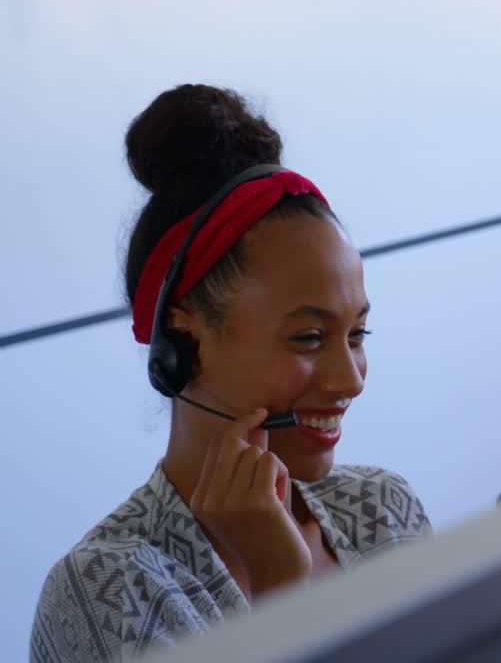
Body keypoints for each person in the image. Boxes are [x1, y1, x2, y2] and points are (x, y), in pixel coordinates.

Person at [30, 85, 430, 662]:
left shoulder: (383, 510)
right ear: (183, 335)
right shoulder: (108, 592)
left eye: (356, 334)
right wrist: (281, 592)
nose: (350, 380)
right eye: (309, 338)